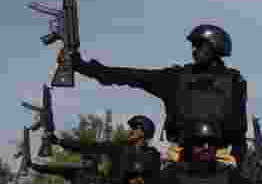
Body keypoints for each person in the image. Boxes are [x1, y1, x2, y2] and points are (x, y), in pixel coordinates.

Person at [59, 24, 247, 166]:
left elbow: (239, 129)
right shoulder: (175, 78)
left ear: (214, 48)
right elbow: (130, 75)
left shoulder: (233, 81)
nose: (194, 50)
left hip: (221, 159)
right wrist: (81, 65)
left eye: (199, 45)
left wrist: (237, 163)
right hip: (180, 158)